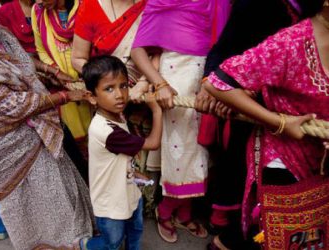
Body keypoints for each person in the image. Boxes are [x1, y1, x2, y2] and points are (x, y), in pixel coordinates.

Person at [202, 0, 328, 248]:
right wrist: (280, 123)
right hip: (285, 159)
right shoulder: (290, 42)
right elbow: (218, 83)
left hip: (321, 164)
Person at [0, 1, 104, 249]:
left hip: (39, 130)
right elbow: (16, 105)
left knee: (65, 196)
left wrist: (53, 72)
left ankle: (76, 241)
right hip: (7, 149)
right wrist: (66, 96)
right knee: (35, 214)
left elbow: (22, 61)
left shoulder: (0, 32)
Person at [130, 0, 217, 243]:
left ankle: (184, 211)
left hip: (208, 78)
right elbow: (138, 51)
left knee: (201, 151)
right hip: (176, 78)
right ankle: (167, 210)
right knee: (180, 153)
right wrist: (160, 83)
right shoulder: (161, 2)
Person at [82, 55, 163, 250]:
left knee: (135, 232)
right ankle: (85, 245)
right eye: (109, 88)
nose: (119, 94)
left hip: (128, 192)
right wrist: (157, 111)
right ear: (92, 96)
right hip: (111, 205)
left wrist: (133, 174)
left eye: (124, 86)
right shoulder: (106, 131)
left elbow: (118, 158)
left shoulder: (116, 115)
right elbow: (153, 143)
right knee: (113, 242)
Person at [31, 0, 92, 146]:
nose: (39, 1)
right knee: (78, 143)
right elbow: (41, 50)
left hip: (92, 80)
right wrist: (57, 73)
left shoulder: (87, 6)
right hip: (62, 86)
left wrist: (87, 77)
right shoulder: (38, 11)